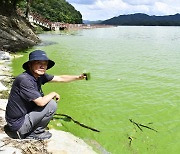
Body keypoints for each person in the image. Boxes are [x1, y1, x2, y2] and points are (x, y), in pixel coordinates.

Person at [5, 50, 85, 140]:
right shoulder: (25, 80)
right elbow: (41, 103)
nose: (42, 66)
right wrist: (53, 93)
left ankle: (32, 129)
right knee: (51, 104)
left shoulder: (38, 76)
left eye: (45, 63)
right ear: (30, 65)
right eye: (38, 62)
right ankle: (35, 133)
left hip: (19, 121)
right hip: (17, 126)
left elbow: (60, 78)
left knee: (48, 102)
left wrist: (78, 77)